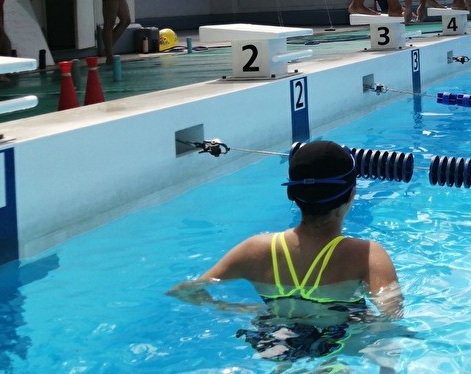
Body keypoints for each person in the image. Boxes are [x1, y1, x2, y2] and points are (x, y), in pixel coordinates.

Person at [168, 140, 403, 360]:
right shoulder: (367, 255)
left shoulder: (254, 250)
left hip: (272, 342)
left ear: (291, 193)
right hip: (337, 343)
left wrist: (240, 309)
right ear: (351, 193)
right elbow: (392, 319)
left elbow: (185, 292)